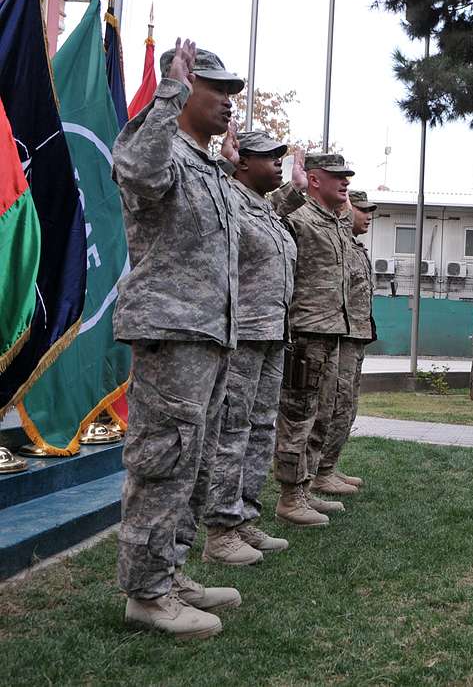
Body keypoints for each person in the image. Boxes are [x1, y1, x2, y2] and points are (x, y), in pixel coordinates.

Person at [112, 40, 243, 638]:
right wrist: (168, 89)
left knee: (192, 460)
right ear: (185, 87)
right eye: (216, 88)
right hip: (171, 330)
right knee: (163, 461)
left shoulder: (207, 167)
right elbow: (136, 172)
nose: (228, 102)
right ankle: (146, 593)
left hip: (209, 334)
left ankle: (174, 573)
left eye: (233, 93)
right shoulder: (158, 147)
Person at [198, 128, 297, 566]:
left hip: (273, 332)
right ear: (241, 162)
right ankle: (219, 531)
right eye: (267, 156)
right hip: (242, 334)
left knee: (261, 429)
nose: (278, 161)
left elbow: (293, 197)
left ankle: (243, 517)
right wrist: (221, 163)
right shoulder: (228, 198)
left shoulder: (266, 210)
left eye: (280, 156)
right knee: (232, 432)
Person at [273, 153, 354, 525]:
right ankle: (290, 496)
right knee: (298, 416)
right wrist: (294, 188)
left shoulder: (336, 223)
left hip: (333, 329)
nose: (346, 182)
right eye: (337, 176)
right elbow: (267, 218)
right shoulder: (297, 218)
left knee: (322, 413)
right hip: (305, 332)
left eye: (347, 176)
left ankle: (305, 489)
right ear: (315, 180)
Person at [311, 190, 377, 496]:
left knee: (347, 405)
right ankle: (318, 472)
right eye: (362, 210)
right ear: (348, 210)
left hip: (356, 335)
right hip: (341, 333)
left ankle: (329, 466)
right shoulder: (335, 243)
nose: (368, 216)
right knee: (334, 404)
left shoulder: (355, 247)